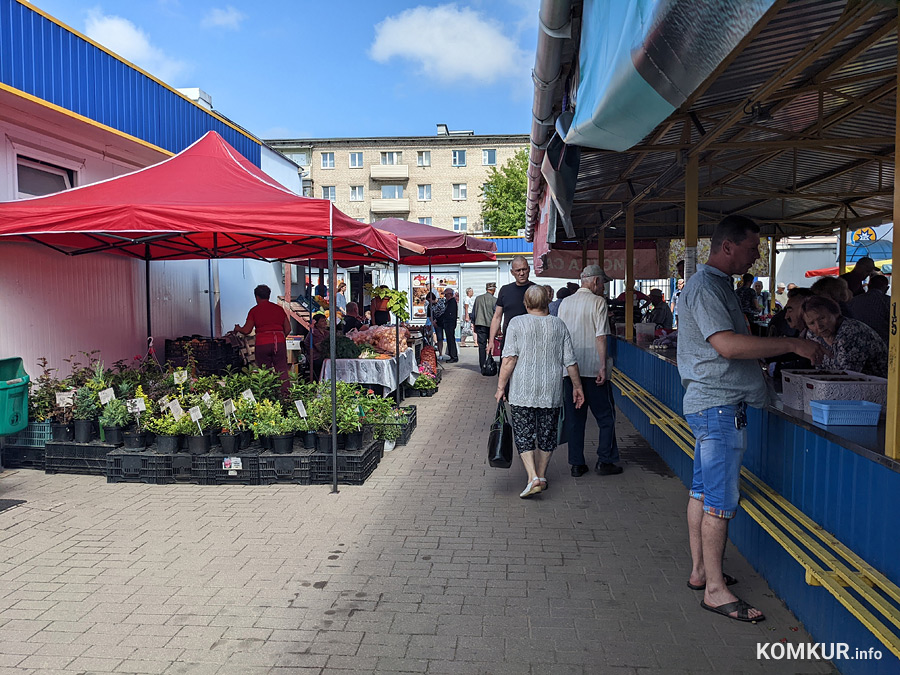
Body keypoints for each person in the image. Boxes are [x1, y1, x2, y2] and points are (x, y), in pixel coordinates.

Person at [677, 215, 823, 623]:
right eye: (753, 249)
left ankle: (702, 571)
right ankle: (715, 590)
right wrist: (793, 342)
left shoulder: (713, 285)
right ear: (728, 247)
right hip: (720, 407)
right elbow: (725, 345)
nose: (757, 257)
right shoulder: (706, 286)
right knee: (720, 503)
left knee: (703, 492)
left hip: (711, 405)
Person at [495, 285, 585, 498]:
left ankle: (533, 476)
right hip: (550, 391)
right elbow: (570, 361)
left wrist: (500, 387)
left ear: (525, 304)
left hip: (522, 390)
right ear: (547, 302)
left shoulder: (517, 323)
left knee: (524, 435)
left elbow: (509, 359)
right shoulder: (558, 325)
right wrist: (577, 387)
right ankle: (541, 476)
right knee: (547, 434)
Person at [558, 265, 622, 477]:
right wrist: (603, 366)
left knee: (575, 419)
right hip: (594, 370)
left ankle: (576, 464)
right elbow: (601, 336)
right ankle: (605, 460)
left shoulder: (564, 303)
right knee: (605, 417)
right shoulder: (598, 302)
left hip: (570, 370)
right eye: (602, 283)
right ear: (595, 282)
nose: (603, 287)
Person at [802, 295, 887, 377]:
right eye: (811, 323)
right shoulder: (813, 335)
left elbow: (847, 376)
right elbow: (818, 369)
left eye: (822, 318)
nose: (818, 326)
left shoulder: (851, 332)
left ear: (835, 313)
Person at [234, 284, 291, 395]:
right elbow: (288, 328)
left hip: (262, 343)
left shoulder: (254, 311)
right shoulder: (279, 309)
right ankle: (286, 395)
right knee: (282, 369)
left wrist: (238, 328)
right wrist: (280, 338)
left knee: (265, 370)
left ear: (257, 297)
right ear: (268, 296)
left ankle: (267, 394)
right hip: (278, 341)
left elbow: (246, 330)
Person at [488, 255, 535, 355]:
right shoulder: (505, 290)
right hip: (509, 341)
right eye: (518, 270)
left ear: (529, 269)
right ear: (512, 272)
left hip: (532, 341)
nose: (521, 273)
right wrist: (491, 341)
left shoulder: (536, 290)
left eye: (524, 269)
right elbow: (497, 317)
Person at [848, 274, 890, 344]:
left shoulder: (853, 301)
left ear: (868, 286)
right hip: (883, 343)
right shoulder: (890, 302)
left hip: (858, 341)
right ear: (886, 288)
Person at [472, 282, 498, 371]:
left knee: (482, 346)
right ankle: (490, 363)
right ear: (493, 290)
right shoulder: (495, 300)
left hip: (480, 324)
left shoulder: (478, 299)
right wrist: (498, 328)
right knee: (491, 344)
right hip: (491, 325)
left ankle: (482, 366)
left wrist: (474, 323)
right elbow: (497, 315)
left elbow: (473, 313)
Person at [304, 313, 330, 380]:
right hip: (316, 358)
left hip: (324, 357)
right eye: (322, 321)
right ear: (316, 323)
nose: (325, 323)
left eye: (325, 320)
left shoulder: (326, 333)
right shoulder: (314, 333)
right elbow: (320, 348)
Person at [439, 287, 459, 363]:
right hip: (448, 323)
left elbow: (448, 314)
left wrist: (439, 319)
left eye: (446, 295)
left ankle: (454, 356)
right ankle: (452, 355)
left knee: (451, 340)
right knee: (449, 340)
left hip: (450, 323)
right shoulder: (449, 302)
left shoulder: (452, 302)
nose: (445, 297)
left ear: (449, 295)